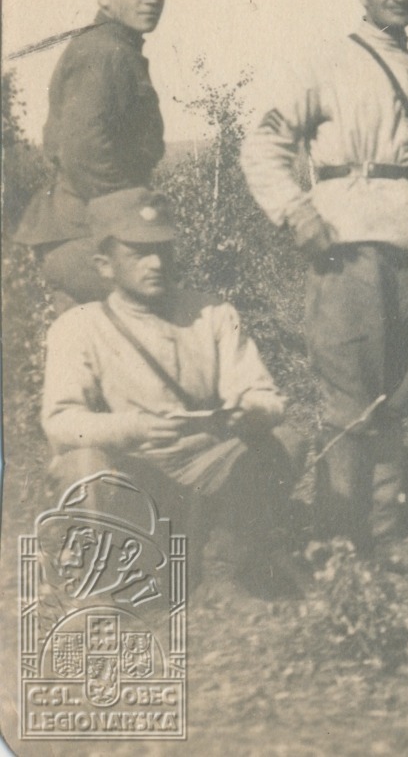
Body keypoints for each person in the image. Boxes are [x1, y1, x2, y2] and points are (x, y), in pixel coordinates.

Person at [240, 0, 408, 582]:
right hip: (349, 250)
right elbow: (263, 145)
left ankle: (390, 536)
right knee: (350, 400)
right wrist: (295, 210)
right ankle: (339, 543)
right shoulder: (326, 65)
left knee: (399, 399)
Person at [41, 189, 305, 596]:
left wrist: (252, 412)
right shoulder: (79, 327)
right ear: (104, 265)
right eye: (139, 253)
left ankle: (226, 569)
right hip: (133, 474)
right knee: (82, 464)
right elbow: (61, 423)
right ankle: (103, 582)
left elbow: (261, 393)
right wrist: (132, 427)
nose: (156, 264)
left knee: (286, 441)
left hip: (205, 473)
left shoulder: (213, 314)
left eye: (163, 250)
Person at [13, 0, 178, 309]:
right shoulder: (102, 52)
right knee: (160, 317)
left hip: (88, 230)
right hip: (87, 232)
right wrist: (132, 220)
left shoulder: (118, 48)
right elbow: (82, 152)